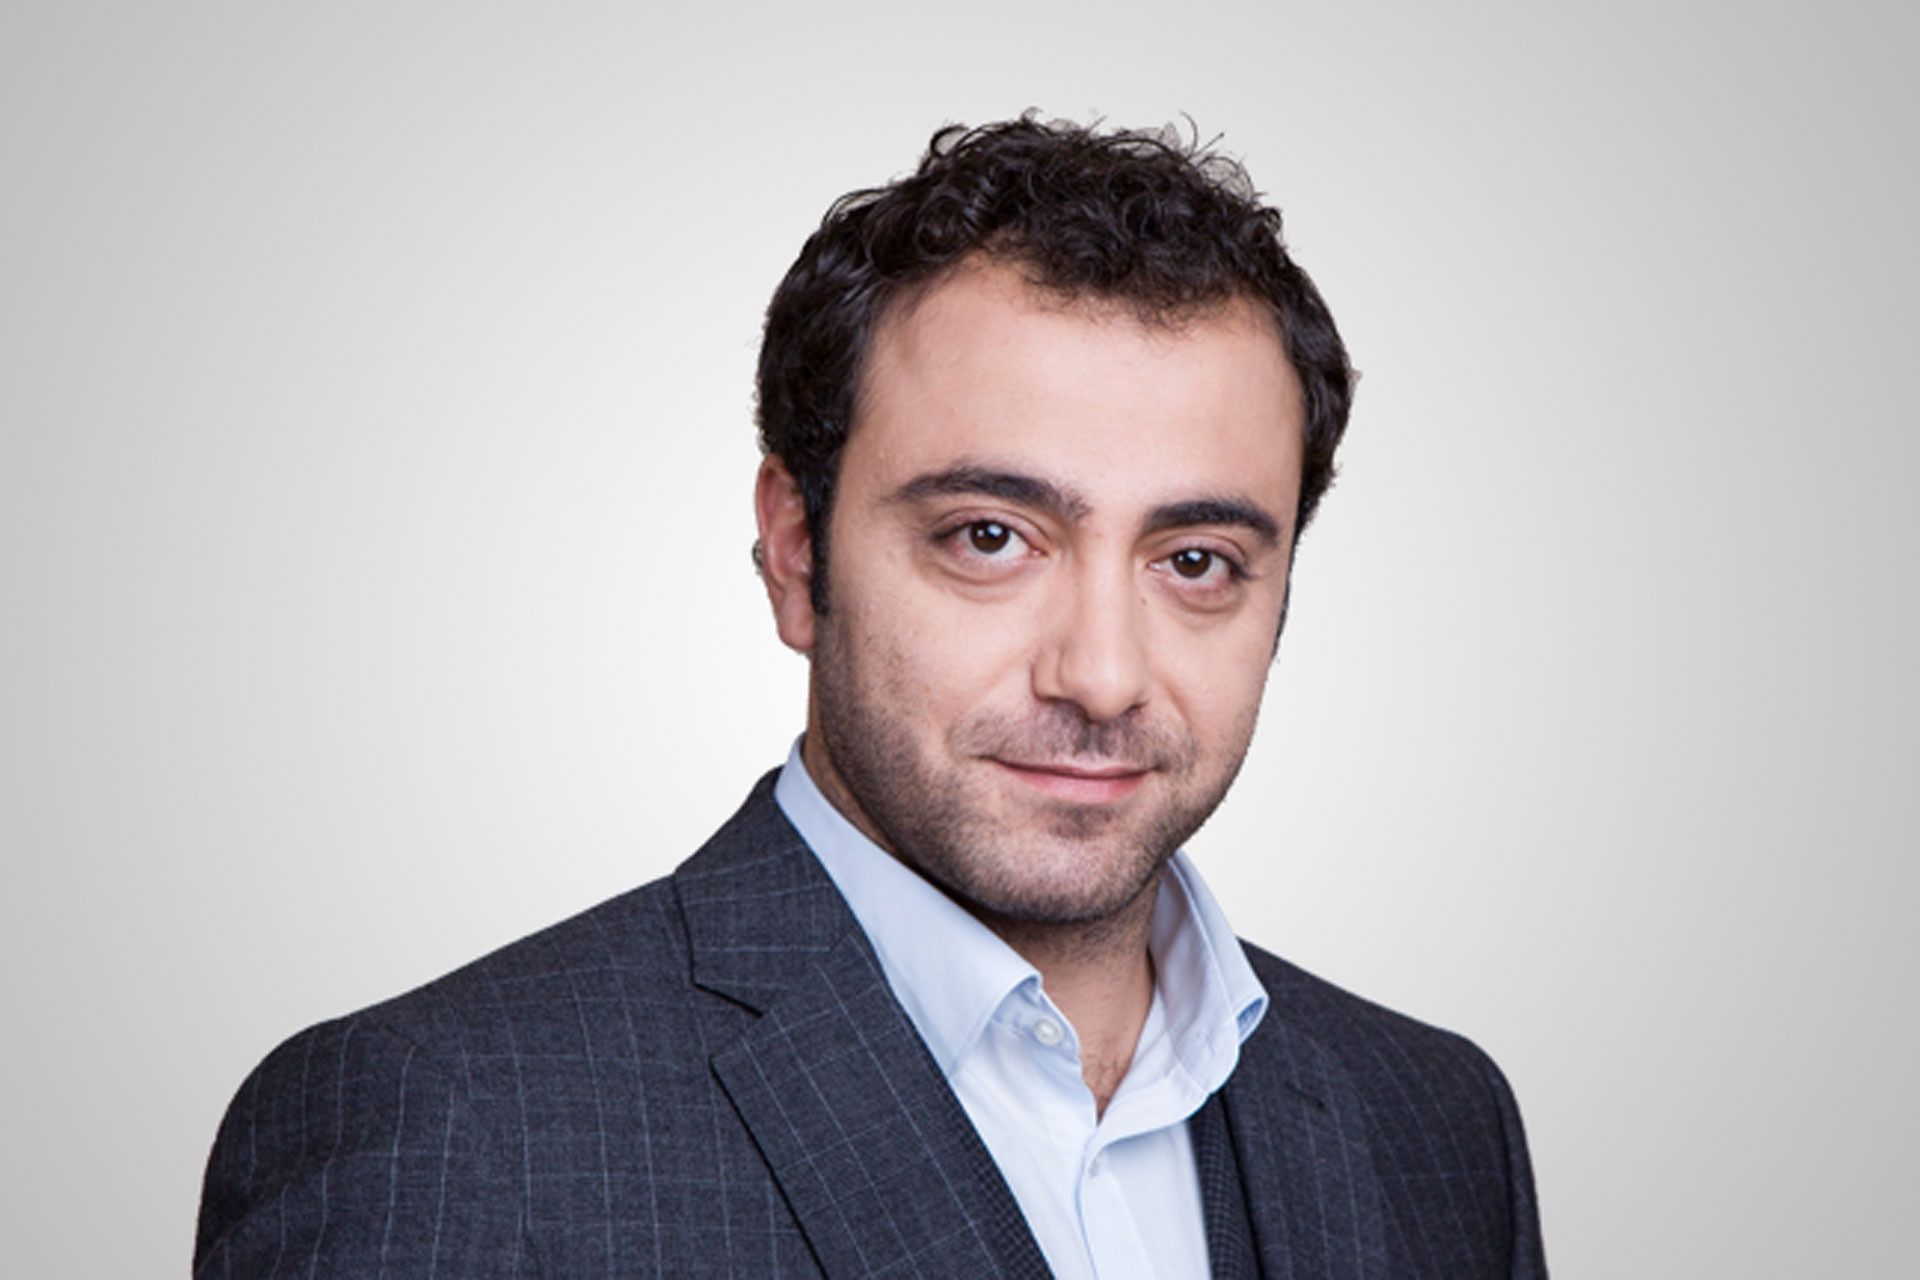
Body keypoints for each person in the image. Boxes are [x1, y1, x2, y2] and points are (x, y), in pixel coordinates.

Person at [195, 117, 1547, 1278]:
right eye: (989, 538)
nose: (1102, 674)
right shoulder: (449, 1131)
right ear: (797, 554)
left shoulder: (1433, 1122)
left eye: (1195, 561)